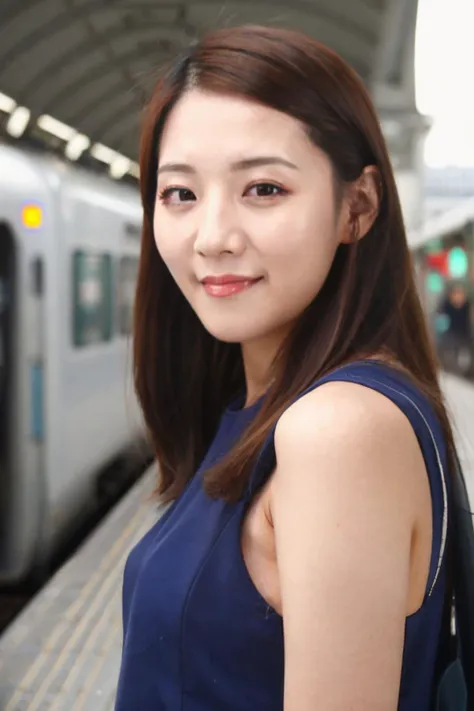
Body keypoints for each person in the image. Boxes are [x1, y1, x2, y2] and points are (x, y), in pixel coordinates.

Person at [114, 25, 456, 711]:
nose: (212, 237)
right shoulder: (255, 410)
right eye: (180, 193)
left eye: (264, 188)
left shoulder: (336, 430)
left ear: (356, 207)